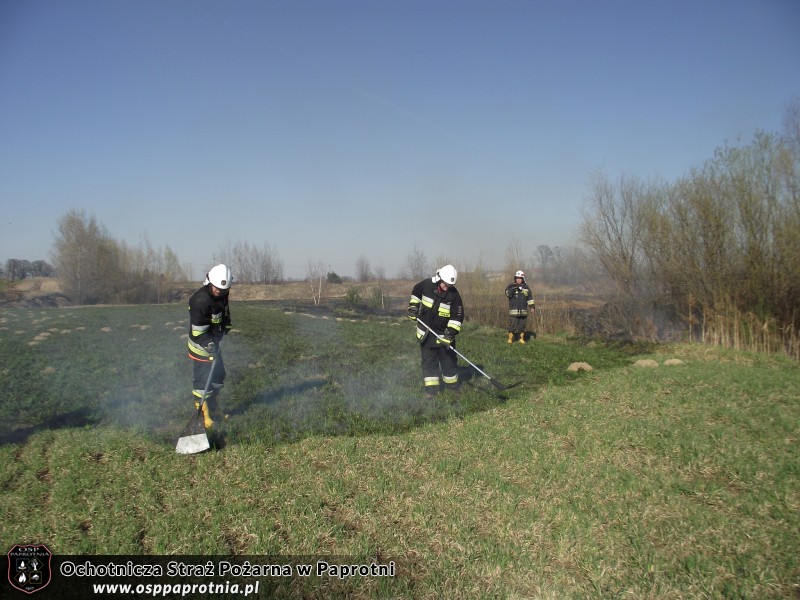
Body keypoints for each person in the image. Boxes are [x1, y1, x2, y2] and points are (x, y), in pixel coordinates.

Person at [407, 265, 464, 396]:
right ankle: (432, 391)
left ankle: (453, 387)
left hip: (444, 335)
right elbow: (416, 291)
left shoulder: (454, 295)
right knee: (429, 363)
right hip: (426, 335)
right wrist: (413, 307)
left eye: (450, 285)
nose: (447, 287)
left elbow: (458, 316)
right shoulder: (426, 285)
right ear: (439, 278)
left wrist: (449, 335)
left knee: (448, 362)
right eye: (445, 284)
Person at [187, 264, 233, 428]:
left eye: (224, 290)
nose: (220, 293)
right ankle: (203, 417)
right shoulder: (200, 301)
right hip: (201, 346)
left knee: (218, 376)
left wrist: (226, 326)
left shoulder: (222, 293)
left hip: (214, 343)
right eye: (217, 290)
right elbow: (199, 333)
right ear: (209, 282)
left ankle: (215, 409)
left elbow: (224, 312)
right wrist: (209, 345)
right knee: (203, 381)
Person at [505, 270, 535, 344]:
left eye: (520, 278)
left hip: (523, 311)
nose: (518, 279)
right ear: (515, 278)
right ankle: (510, 339)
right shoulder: (511, 286)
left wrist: (532, 307)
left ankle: (521, 339)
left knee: (522, 326)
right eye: (517, 278)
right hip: (514, 311)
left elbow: (530, 298)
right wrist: (514, 289)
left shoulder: (526, 287)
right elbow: (507, 294)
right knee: (512, 326)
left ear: (523, 279)